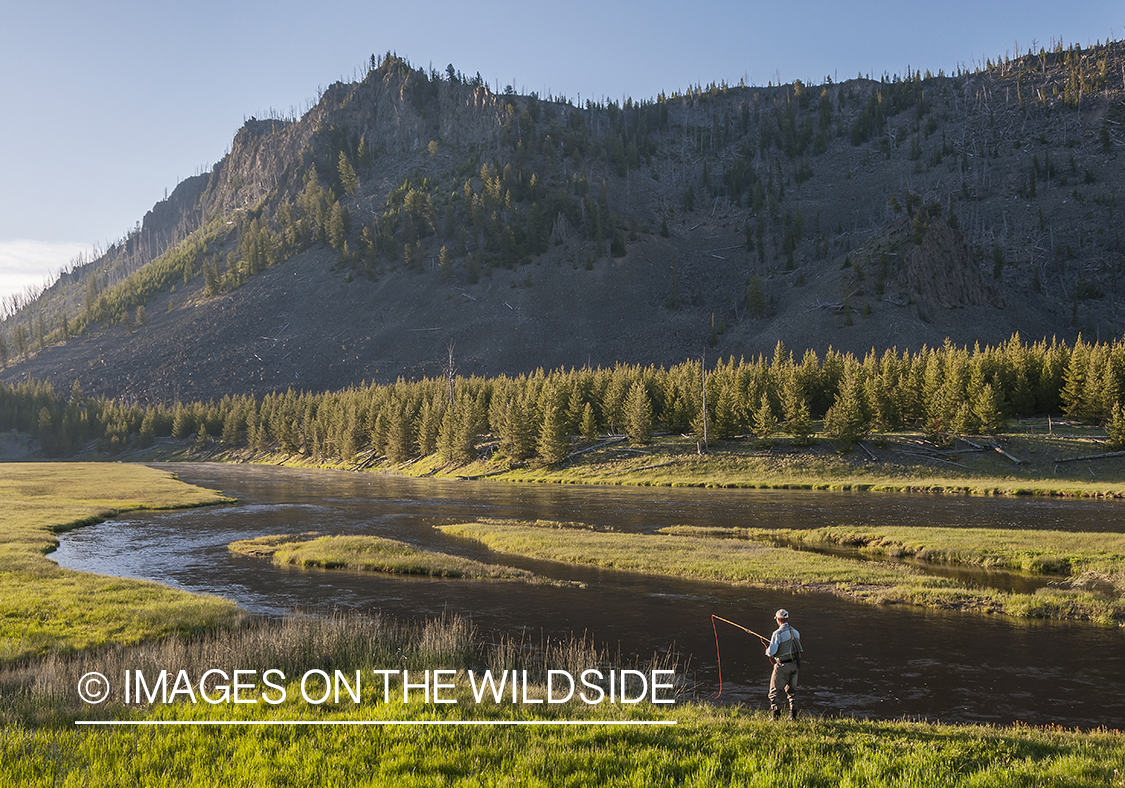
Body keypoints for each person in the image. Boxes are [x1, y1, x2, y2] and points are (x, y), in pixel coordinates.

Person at [765, 608, 802, 720]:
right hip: (795, 665)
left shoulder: (777, 634)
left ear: (779, 620)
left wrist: (767, 651)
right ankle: (793, 717)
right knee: (792, 692)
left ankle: (776, 717)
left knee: (774, 692)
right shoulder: (796, 632)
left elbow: (772, 652)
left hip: (782, 666)